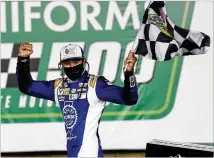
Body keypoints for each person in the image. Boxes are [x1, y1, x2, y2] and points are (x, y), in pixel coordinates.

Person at [16, 43, 138, 157]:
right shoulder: (58, 87)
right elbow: (26, 86)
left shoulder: (96, 84)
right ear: (61, 65)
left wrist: (129, 73)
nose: (72, 66)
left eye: (76, 61)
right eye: (67, 63)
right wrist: (23, 59)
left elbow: (130, 99)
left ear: (84, 61)